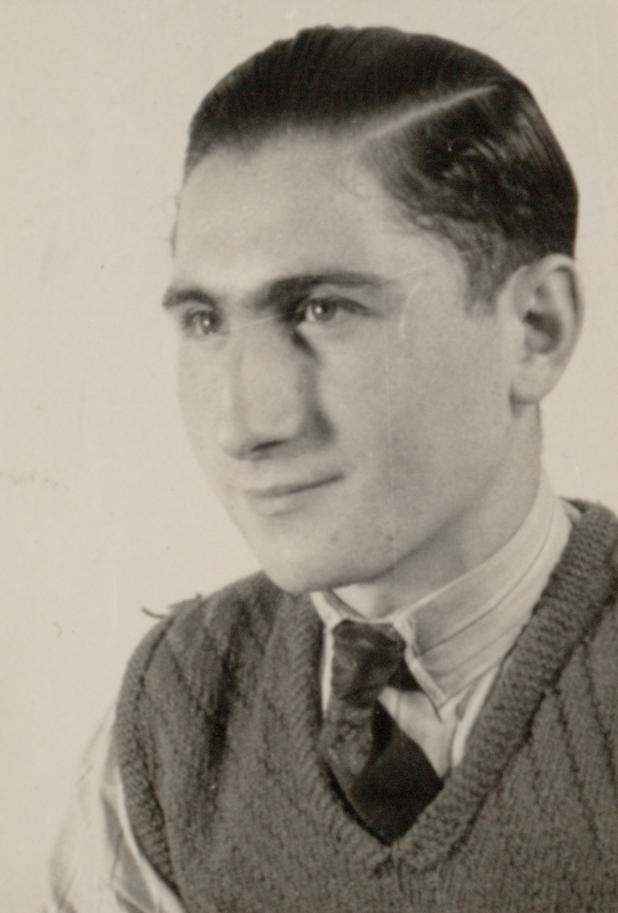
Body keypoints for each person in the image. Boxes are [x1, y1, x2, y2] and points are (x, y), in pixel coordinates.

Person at [46, 25, 618, 913]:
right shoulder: (169, 717)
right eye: (205, 322)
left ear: (535, 329)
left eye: (324, 309)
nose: (244, 424)